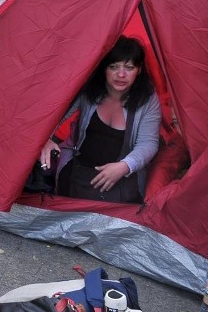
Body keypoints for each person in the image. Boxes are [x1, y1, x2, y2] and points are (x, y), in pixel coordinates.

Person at [39, 36, 161, 204]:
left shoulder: (147, 99)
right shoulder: (89, 88)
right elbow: (55, 112)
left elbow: (149, 142)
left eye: (129, 67)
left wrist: (125, 166)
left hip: (119, 184)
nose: (121, 74)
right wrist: (45, 138)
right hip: (77, 174)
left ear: (139, 70)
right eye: (114, 66)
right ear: (104, 68)